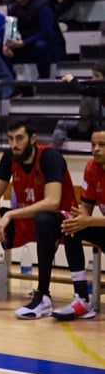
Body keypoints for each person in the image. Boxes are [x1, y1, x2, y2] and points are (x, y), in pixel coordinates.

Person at [0, 119, 84, 318]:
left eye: (19, 138)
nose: (14, 144)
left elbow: (52, 202)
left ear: (32, 139)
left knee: (43, 218)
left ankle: (43, 296)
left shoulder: (50, 157)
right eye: (11, 139)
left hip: (60, 223)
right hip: (27, 219)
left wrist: (10, 214)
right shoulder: (9, 157)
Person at [56, 128, 105, 320]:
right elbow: (86, 209)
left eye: (102, 145)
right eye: (93, 145)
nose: (96, 149)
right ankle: (82, 298)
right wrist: (78, 218)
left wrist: (88, 220)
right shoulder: (91, 168)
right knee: (72, 228)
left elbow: (90, 218)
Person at [3, 0, 65, 79]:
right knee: (2, 47)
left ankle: (44, 80)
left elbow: (46, 33)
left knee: (41, 45)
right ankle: (11, 83)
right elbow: (10, 31)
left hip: (51, 46)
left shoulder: (43, 6)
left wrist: (23, 43)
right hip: (27, 44)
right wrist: (6, 45)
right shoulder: (13, 7)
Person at [51, 61, 105, 148]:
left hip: (100, 122)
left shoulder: (100, 89)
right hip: (94, 121)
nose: (93, 79)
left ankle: (82, 131)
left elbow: (83, 90)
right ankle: (53, 150)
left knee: (87, 97)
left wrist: (71, 80)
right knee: (62, 123)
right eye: (93, 75)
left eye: (97, 76)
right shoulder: (97, 89)